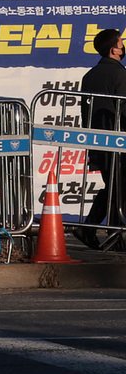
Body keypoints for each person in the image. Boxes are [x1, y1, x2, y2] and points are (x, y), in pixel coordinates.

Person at [79, 27, 126, 243]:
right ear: (113, 50)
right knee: (119, 188)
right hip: (120, 141)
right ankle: (113, 234)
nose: (123, 46)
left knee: (115, 187)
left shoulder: (90, 76)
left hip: (98, 141)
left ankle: (92, 228)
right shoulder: (119, 74)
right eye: (120, 43)